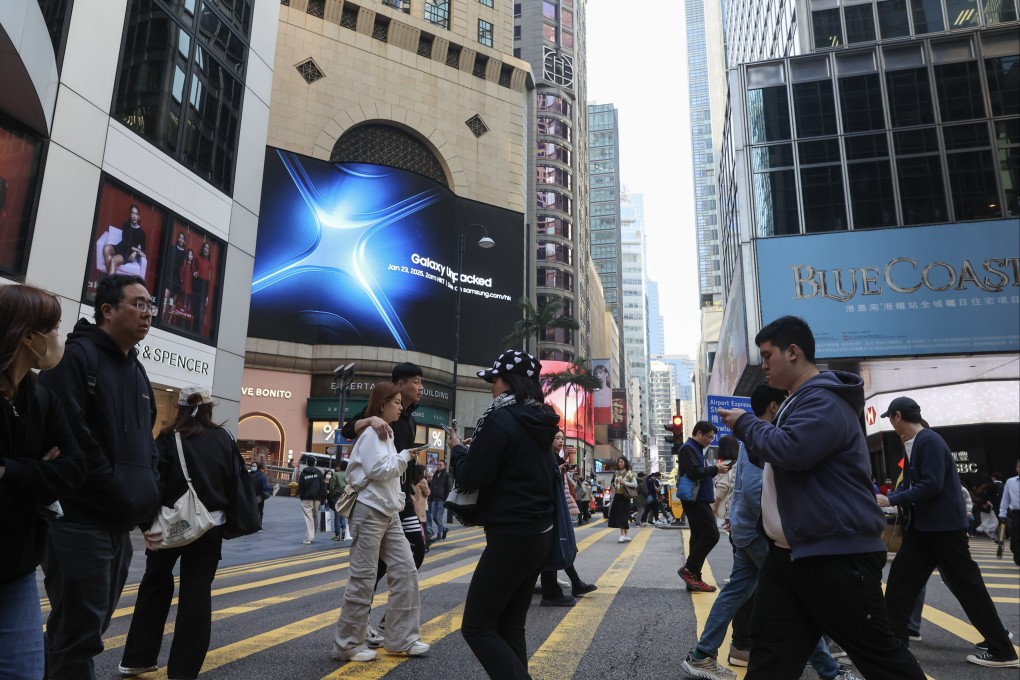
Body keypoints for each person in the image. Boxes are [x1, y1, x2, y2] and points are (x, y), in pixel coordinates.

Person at [718, 315, 925, 680]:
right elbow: (779, 457)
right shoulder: (797, 403)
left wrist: (746, 424)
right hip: (792, 555)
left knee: (879, 656)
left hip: (835, 555)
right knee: (772, 654)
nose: (763, 365)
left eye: (768, 356)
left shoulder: (823, 400)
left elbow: (793, 450)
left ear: (793, 352)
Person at [682, 382, 856, 680]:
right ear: (774, 407)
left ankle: (702, 655)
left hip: (748, 531)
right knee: (800, 598)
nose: (789, 407)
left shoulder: (755, 436)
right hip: (758, 535)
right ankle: (831, 672)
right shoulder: (760, 437)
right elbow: (752, 491)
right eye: (785, 402)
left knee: (736, 592)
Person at [38, 274, 161, 680]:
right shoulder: (76, 358)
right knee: (79, 634)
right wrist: (113, 487)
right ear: (107, 310)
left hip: (117, 524)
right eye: (138, 304)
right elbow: (71, 433)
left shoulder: (137, 371)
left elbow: (147, 441)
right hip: (78, 520)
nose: (147, 314)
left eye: (150, 305)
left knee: (86, 628)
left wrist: (147, 499)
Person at [878, 396, 1018, 669]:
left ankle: (1003, 649)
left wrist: (891, 499)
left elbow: (931, 485)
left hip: (942, 531)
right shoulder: (918, 443)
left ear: (897, 416)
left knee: (967, 588)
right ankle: (893, 649)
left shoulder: (928, 441)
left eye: (891, 419)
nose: (892, 425)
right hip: (927, 530)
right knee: (900, 586)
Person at [449, 349, 561, 680]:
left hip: (511, 535)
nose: (491, 387)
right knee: (510, 625)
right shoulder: (538, 419)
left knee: (477, 627)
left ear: (508, 382)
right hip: (538, 533)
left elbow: (473, 476)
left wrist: (458, 450)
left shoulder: (500, 419)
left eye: (494, 380)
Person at [119, 387, 245, 679]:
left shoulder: (168, 437)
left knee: (154, 586)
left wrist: (146, 524)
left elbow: (153, 484)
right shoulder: (224, 439)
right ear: (210, 408)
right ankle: (183, 672)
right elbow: (235, 485)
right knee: (197, 595)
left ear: (179, 407)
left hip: (168, 526)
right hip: (210, 526)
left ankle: (138, 658)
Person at [0, 284, 86, 680]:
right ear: (27, 337)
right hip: (16, 551)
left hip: (17, 567)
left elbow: (73, 470)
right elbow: (55, 474)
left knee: (25, 672)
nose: (57, 338)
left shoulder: (40, 398)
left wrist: (12, 471)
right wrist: (38, 473)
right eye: (51, 328)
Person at [332, 382, 427, 662]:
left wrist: (402, 457)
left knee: (406, 571)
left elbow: (386, 474)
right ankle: (348, 645)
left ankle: (402, 639)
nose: (400, 406)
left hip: (389, 512)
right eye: (396, 402)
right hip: (370, 511)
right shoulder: (374, 433)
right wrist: (405, 456)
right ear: (382, 403)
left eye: (401, 402)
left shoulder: (385, 433)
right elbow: (378, 470)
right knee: (363, 578)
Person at [537, 430, 597, 606]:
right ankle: (554, 590)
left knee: (559, 545)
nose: (561, 441)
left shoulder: (553, 455)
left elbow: (566, 474)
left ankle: (565, 585)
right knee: (558, 545)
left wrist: (567, 462)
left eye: (562, 438)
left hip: (555, 505)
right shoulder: (545, 454)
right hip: (549, 506)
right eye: (557, 437)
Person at [677, 420, 728, 593]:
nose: (710, 441)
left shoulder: (697, 449)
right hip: (695, 499)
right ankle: (689, 570)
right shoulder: (688, 448)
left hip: (700, 499)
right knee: (712, 534)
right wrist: (716, 469)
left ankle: (694, 579)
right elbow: (694, 472)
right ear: (698, 433)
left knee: (698, 537)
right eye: (708, 437)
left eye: (713, 438)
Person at [103, 204, 146, 275]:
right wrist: (136, 249)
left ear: (139, 217)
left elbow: (143, 250)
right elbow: (125, 241)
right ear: (129, 215)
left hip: (127, 253)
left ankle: (110, 282)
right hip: (120, 247)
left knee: (113, 260)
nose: (134, 216)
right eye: (132, 213)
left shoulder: (141, 233)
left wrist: (135, 252)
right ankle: (111, 279)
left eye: (136, 214)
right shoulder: (126, 225)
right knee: (106, 248)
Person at [608, 456, 637, 542]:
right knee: (619, 515)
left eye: (621, 462)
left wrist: (625, 482)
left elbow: (635, 484)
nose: (620, 463)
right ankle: (626, 535)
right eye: (619, 462)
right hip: (617, 496)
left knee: (623, 516)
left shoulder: (629, 473)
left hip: (625, 497)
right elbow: (613, 484)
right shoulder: (616, 473)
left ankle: (623, 535)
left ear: (625, 463)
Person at [298, 458, 326, 544]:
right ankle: (312, 535)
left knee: (309, 518)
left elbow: (301, 486)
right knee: (315, 517)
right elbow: (323, 486)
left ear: (306, 463)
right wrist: (323, 497)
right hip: (317, 498)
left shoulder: (303, 473)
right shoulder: (319, 473)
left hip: (306, 498)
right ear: (315, 463)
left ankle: (309, 538)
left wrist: (301, 496)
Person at [1001, 460, 1020, 566]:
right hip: (1016, 513)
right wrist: (1002, 513)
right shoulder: (1010, 481)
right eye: (1019, 467)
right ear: (1016, 468)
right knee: (1015, 536)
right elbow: (1005, 499)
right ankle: (1016, 553)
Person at [427, 459, 453, 541]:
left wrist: (447, 499)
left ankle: (440, 533)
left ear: (444, 466)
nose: (438, 466)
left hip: (442, 499)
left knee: (439, 517)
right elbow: (431, 488)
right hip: (434, 499)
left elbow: (449, 487)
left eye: (440, 465)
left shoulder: (447, 475)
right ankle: (444, 528)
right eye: (437, 465)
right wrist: (430, 499)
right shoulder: (435, 475)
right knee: (434, 517)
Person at [191, 241, 212, 334]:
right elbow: (193, 269)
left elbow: (209, 280)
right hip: (197, 284)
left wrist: (207, 296)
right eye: (205, 247)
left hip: (204, 286)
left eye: (208, 248)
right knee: (195, 309)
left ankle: (197, 332)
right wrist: (194, 273)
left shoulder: (210, 263)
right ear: (203, 249)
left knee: (201, 311)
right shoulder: (197, 258)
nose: (206, 250)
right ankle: (193, 330)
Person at [329, 462, 348, 541]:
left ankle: (337, 534)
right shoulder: (348, 475)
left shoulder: (336, 474)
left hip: (337, 496)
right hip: (346, 496)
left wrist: (331, 496)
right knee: (342, 515)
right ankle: (344, 531)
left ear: (340, 467)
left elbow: (331, 487)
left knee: (337, 516)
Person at [252, 461, 272, 526]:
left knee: (254, 510)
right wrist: (272, 488)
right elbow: (264, 486)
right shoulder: (262, 475)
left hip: (252, 494)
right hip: (259, 495)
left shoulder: (254, 474)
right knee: (260, 510)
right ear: (264, 467)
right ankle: (258, 525)